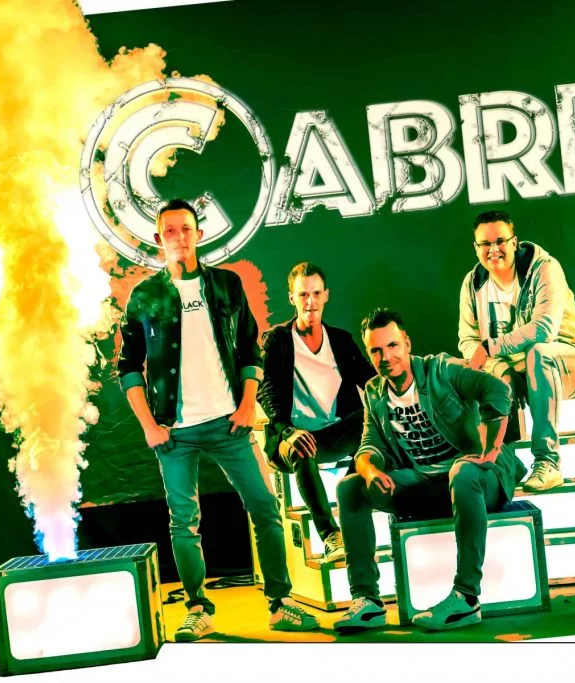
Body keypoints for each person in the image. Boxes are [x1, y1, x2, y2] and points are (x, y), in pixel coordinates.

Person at [117, 198, 319, 640]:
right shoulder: (145, 296)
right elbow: (128, 366)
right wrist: (149, 425)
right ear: (158, 239)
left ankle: (280, 603)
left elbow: (249, 349)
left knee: (265, 508)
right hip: (175, 432)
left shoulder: (227, 284)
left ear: (199, 235)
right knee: (184, 523)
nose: (179, 238)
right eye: (170, 231)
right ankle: (197, 608)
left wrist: (247, 405)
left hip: (231, 423)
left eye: (186, 229)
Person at [333, 309, 527, 632]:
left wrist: (492, 449)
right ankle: (367, 601)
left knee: (462, 473)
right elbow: (369, 446)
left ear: (407, 344)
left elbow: (497, 390)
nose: (386, 357)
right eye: (376, 351)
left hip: (477, 477)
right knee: (350, 488)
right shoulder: (374, 392)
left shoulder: (441, 370)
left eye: (392, 346)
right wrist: (370, 471)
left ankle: (466, 598)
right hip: (425, 481)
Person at [458, 210, 575, 492]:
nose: (493, 249)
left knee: (539, 353)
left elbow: (543, 329)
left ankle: (548, 462)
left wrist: (490, 348)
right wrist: (497, 366)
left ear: (514, 242)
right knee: (483, 374)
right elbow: (467, 340)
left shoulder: (545, 268)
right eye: (485, 244)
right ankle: (504, 465)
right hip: (521, 370)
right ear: (476, 248)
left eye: (500, 241)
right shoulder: (473, 283)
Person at [258, 262, 375, 561]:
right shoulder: (278, 340)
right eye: (303, 295)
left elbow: (371, 381)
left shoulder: (341, 340)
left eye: (316, 294)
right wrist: (287, 431)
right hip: (293, 437)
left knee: (373, 421)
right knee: (302, 447)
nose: (310, 301)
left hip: (334, 433)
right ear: (292, 298)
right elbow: (266, 389)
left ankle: (349, 503)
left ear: (326, 296)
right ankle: (331, 536)